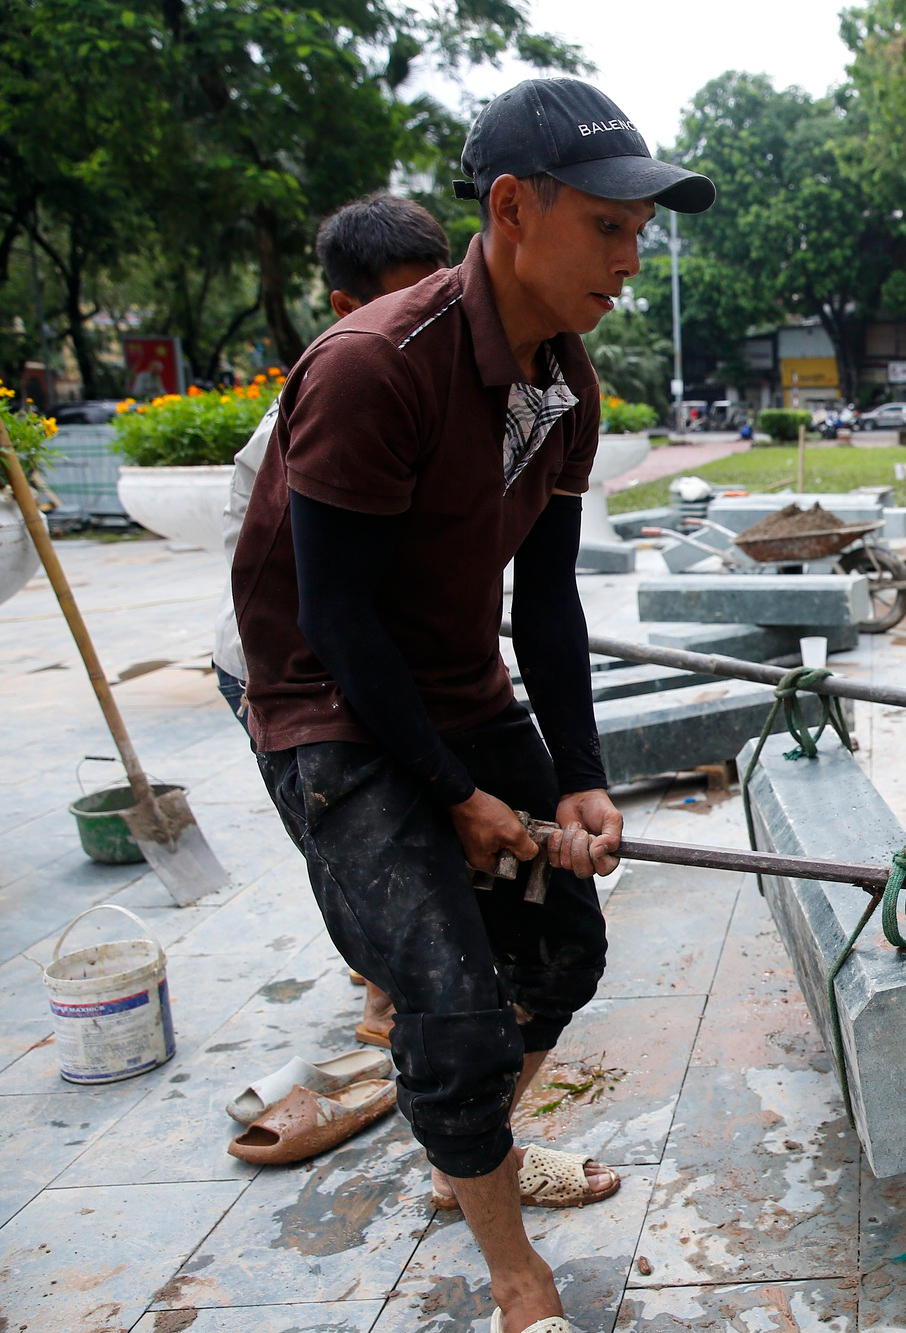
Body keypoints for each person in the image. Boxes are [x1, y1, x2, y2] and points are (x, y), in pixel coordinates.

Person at [231, 78, 714, 1333]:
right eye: (610, 225)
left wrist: (578, 773)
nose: (633, 251)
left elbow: (545, 601)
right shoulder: (369, 367)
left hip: (454, 685)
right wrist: (455, 798)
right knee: (447, 998)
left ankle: (468, 1149)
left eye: (640, 228)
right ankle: (515, 1275)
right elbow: (332, 624)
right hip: (326, 707)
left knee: (566, 948)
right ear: (512, 207)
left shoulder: (566, 381)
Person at [214, 193, 451, 1050]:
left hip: (361, 646)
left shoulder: (427, 380)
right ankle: (389, 996)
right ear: (348, 308)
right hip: (281, 666)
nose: (430, 319)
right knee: (356, 838)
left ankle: (407, 981)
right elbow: (277, 573)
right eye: (403, 301)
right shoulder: (326, 399)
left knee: (413, 821)